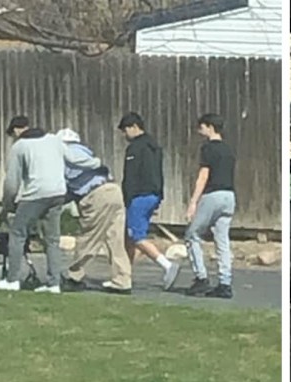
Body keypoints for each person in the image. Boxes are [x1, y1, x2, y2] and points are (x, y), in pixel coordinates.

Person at [0, 116, 66, 293]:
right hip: (58, 192)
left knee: (17, 234)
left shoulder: (20, 146)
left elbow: (12, 181)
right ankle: (54, 283)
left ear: (17, 130)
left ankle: (12, 280)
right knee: (52, 240)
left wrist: (7, 203)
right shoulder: (53, 140)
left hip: (36, 194)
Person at [55, 129, 134, 295]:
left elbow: (64, 186)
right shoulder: (86, 154)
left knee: (88, 237)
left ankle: (74, 276)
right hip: (113, 190)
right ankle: (122, 280)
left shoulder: (64, 156)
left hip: (94, 196)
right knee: (115, 239)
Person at [117, 112, 181, 290]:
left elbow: (130, 177)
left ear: (134, 127)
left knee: (136, 236)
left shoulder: (135, 149)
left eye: (125, 130)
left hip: (139, 195)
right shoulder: (155, 147)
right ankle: (124, 275)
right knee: (128, 238)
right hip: (153, 194)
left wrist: (126, 197)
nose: (125, 135)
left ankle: (167, 265)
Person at [184, 113, 236, 299]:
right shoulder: (228, 150)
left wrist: (193, 202)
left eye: (202, 127)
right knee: (222, 240)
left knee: (192, 235)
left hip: (213, 194)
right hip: (229, 195)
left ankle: (201, 277)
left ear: (210, 127)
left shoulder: (208, 148)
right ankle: (225, 282)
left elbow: (203, 176)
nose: (200, 131)